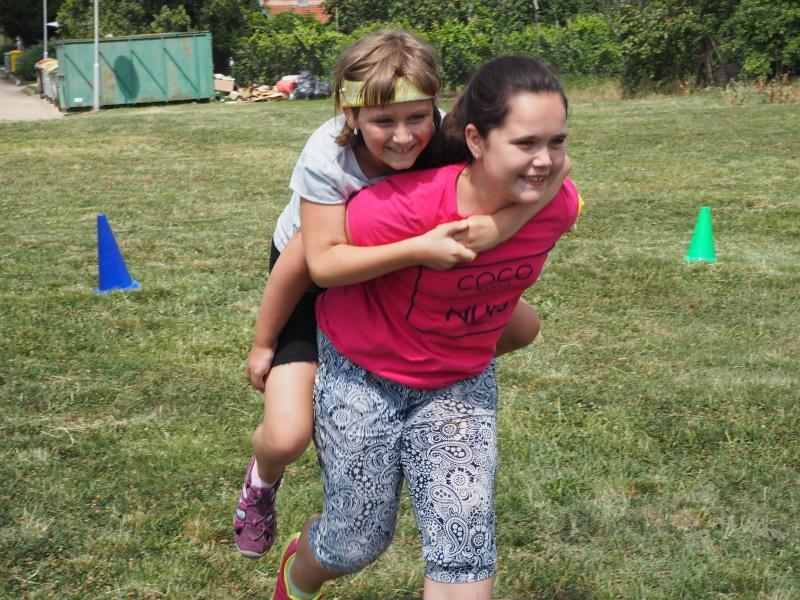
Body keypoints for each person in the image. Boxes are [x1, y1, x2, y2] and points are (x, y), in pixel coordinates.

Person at [234, 31, 569, 560]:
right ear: (351, 115)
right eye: (383, 122)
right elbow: (311, 263)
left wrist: (498, 228)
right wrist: (263, 343)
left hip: (399, 272)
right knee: (286, 434)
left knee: (524, 327)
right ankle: (261, 480)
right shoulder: (328, 157)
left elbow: (556, 169)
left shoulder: (449, 137)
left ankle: (416, 383)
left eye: (417, 116)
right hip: (312, 279)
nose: (404, 136)